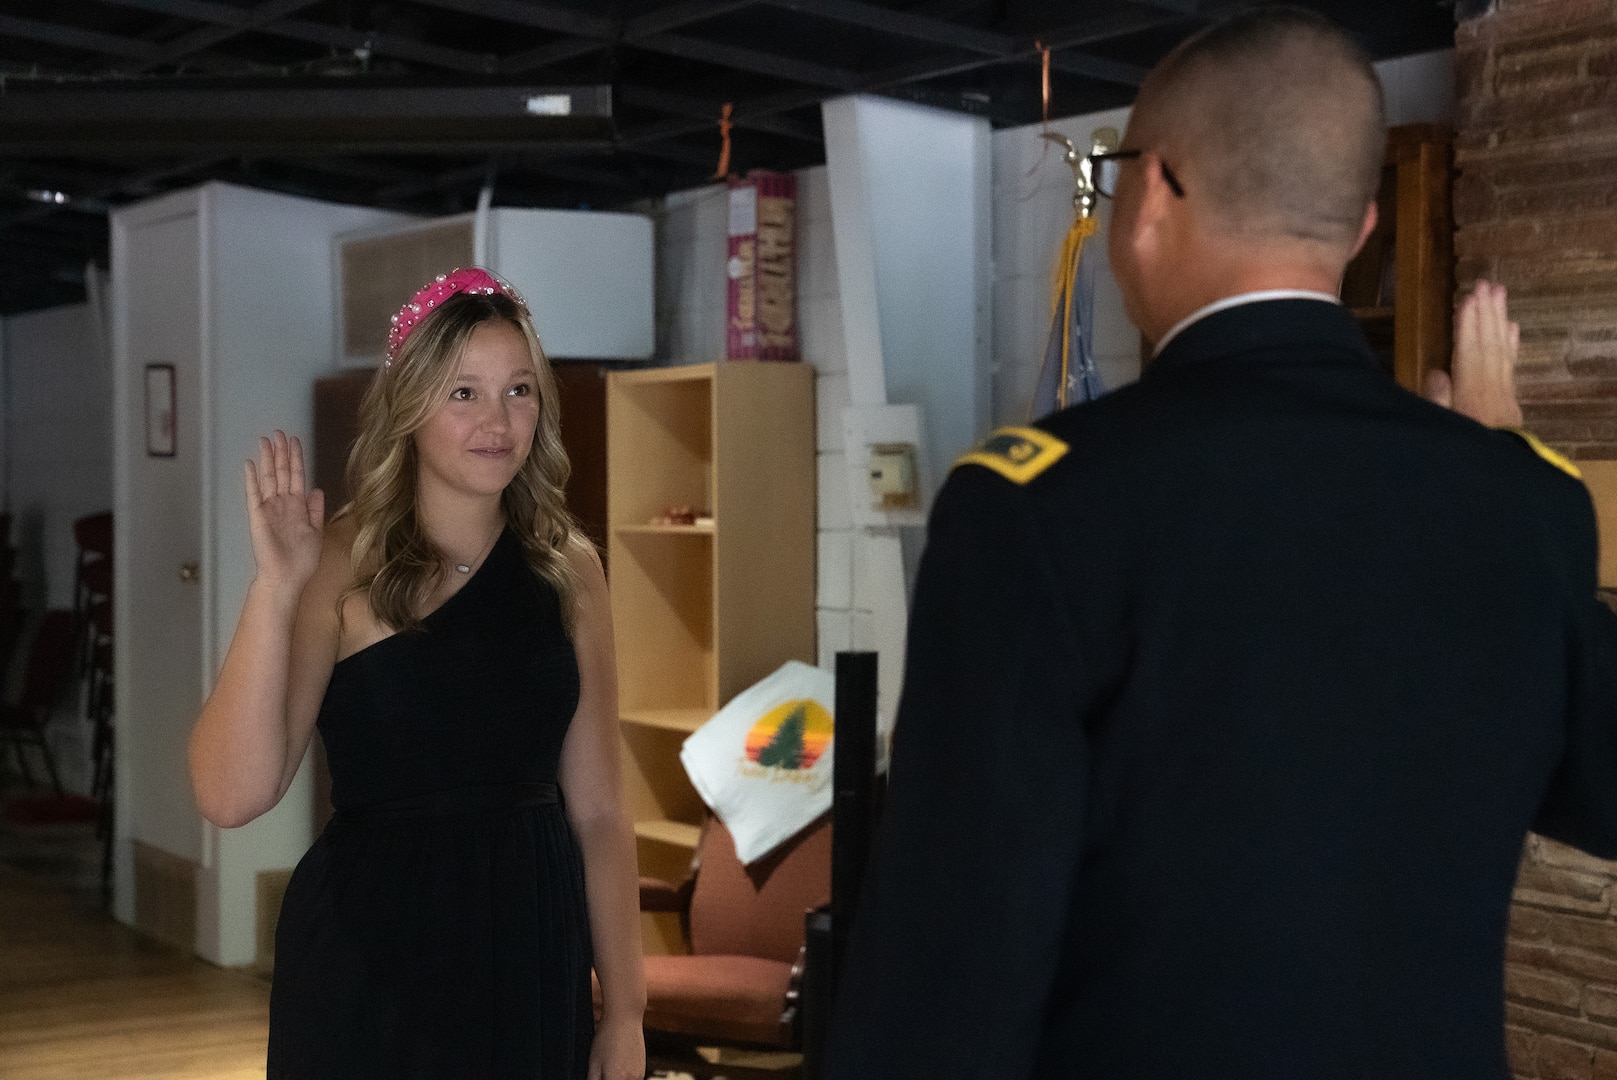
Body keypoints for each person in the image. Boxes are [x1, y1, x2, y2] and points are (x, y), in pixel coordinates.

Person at [825, 9, 1617, 1080]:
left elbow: (955, 963)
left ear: (1152, 192)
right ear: (1366, 223)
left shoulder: (1044, 503)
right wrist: (1508, 470)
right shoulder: (1525, 501)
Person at [187, 268, 646, 1080]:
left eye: (518, 391)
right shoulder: (335, 561)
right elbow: (232, 794)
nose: (497, 421)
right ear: (408, 408)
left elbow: (602, 814)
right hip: (372, 954)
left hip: (531, 946)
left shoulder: (570, 570)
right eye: (462, 393)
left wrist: (628, 1010)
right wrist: (275, 587)